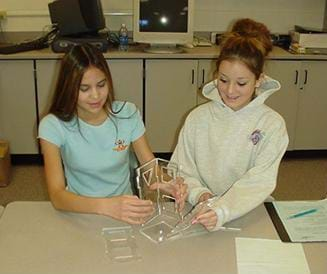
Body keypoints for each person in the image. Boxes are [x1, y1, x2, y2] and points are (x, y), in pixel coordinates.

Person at [38, 43, 186, 225]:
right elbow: (58, 196)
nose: (95, 96)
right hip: (79, 211)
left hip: (127, 210)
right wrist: (107, 206)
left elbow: (150, 168)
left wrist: (169, 184)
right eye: (84, 89)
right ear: (68, 88)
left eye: (101, 85)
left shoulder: (127, 113)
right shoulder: (53, 125)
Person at [171, 18, 289, 231]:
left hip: (251, 211)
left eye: (241, 83)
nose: (230, 91)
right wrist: (200, 195)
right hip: (202, 210)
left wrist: (222, 210)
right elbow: (180, 169)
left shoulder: (272, 125)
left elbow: (259, 182)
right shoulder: (198, 118)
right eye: (223, 80)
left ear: (259, 80)